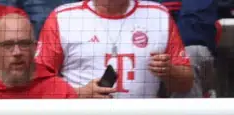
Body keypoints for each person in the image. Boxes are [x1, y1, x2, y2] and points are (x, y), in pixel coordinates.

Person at [37, 0, 194, 99]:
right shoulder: (64, 18)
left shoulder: (158, 16)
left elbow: (185, 84)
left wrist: (170, 71)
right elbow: (39, 84)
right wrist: (79, 93)